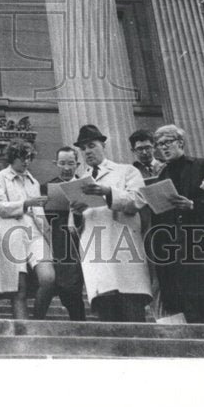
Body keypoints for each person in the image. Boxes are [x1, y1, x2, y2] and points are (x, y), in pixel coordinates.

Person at [147, 124, 204, 324]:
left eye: (167, 142)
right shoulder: (161, 177)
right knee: (192, 308)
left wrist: (193, 205)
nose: (162, 148)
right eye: (158, 144)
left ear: (180, 143)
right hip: (181, 255)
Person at [70, 124, 152, 322]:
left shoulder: (126, 171)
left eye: (91, 145)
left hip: (123, 250)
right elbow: (73, 226)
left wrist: (108, 192)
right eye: (83, 148)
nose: (87, 151)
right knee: (107, 316)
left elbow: (138, 200)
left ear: (103, 145)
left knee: (132, 311)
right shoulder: (79, 179)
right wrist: (76, 213)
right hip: (96, 253)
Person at [0, 140, 55, 320]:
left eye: (29, 158)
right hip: (11, 235)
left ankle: (38, 320)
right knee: (19, 290)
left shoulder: (33, 181)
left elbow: (40, 213)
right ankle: (25, 333)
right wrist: (26, 203)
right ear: (12, 157)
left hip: (35, 234)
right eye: (22, 158)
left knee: (48, 279)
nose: (26, 162)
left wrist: (48, 236)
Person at [42, 145, 86, 321]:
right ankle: (78, 320)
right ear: (56, 163)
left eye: (70, 163)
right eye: (62, 163)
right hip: (58, 242)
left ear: (77, 164)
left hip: (83, 240)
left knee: (74, 286)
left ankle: (79, 321)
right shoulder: (47, 187)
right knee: (65, 285)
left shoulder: (84, 186)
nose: (66, 168)